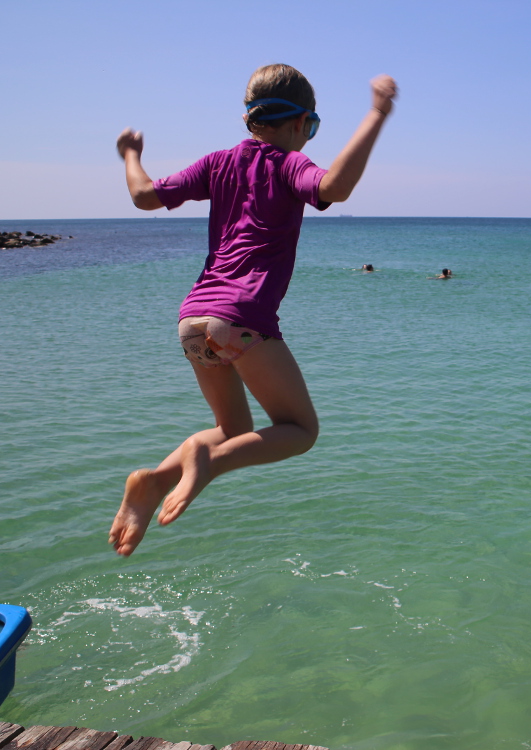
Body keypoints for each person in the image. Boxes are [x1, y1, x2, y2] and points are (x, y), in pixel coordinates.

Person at [109, 64, 398, 556]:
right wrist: (376, 113)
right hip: (242, 318)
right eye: (311, 128)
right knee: (300, 431)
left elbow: (143, 195)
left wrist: (131, 155)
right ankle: (209, 464)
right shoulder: (288, 164)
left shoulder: (217, 163)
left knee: (233, 431)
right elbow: (335, 187)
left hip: (193, 321)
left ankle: (153, 481)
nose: (307, 138)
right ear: (298, 123)